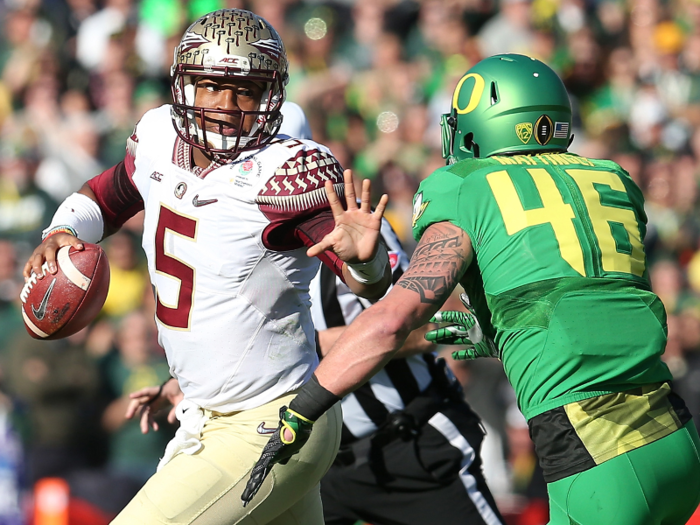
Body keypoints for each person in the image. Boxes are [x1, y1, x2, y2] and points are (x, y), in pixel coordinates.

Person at [243, 54, 700, 525]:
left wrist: (302, 410)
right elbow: (588, 300)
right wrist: (497, 327)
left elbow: (393, 320)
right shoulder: (610, 177)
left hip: (595, 447)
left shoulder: (466, 185)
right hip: (675, 436)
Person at [22, 8, 391, 525]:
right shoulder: (157, 138)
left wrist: (367, 260)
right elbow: (109, 197)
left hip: (268, 420)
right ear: (183, 84)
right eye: (211, 85)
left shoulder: (285, 174)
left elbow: (370, 287)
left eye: (246, 91)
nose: (226, 105)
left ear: (271, 96)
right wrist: (64, 229)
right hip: (215, 415)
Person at [280, 99, 504, 525]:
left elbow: (423, 322)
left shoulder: (352, 228)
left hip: (406, 445)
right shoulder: (233, 240)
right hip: (313, 463)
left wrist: (312, 346)